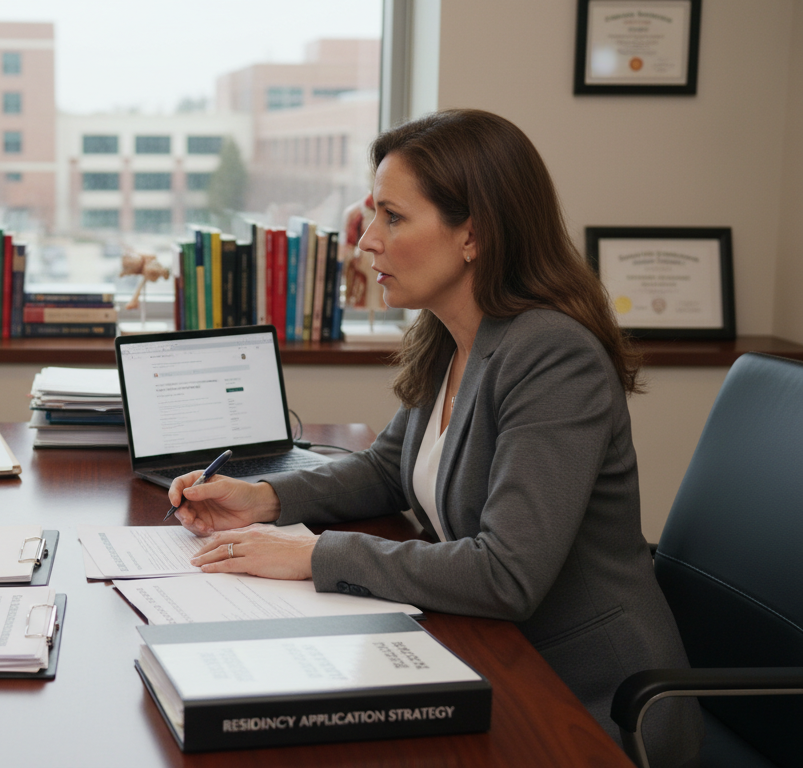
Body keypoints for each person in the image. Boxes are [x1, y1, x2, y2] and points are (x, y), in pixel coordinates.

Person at [168, 109, 702, 766]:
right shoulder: (455, 336)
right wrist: (262, 500)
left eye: (393, 217)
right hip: (497, 652)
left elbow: (507, 573)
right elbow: (389, 469)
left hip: (587, 701)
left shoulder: (554, 356)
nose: (366, 242)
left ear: (472, 234)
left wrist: (311, 556)